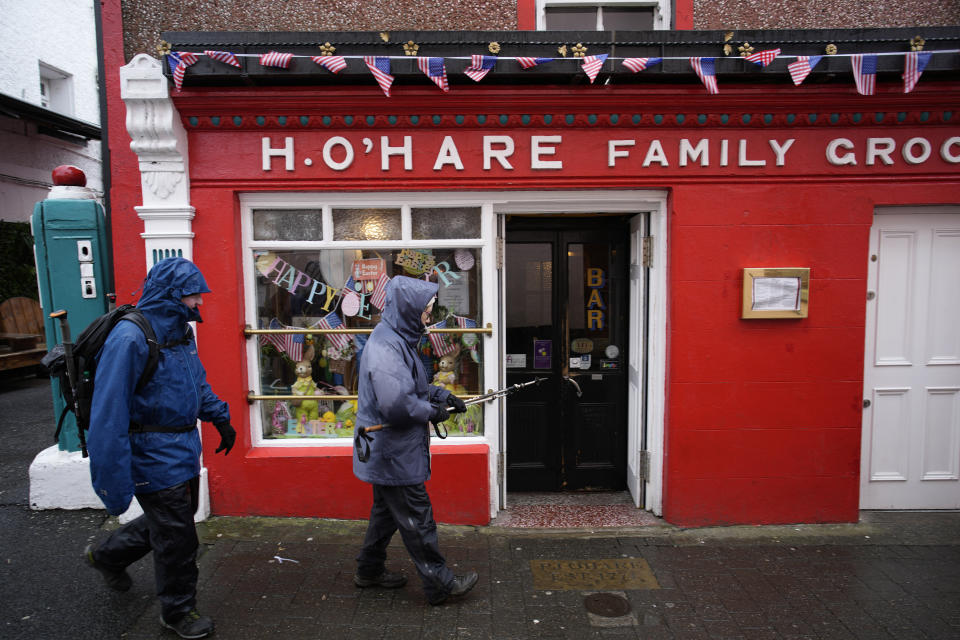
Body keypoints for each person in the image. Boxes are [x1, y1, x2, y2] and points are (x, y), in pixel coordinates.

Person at [83, 257, 235, 640]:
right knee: (179, 539)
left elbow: (193, 382)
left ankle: (107, 555)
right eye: (192, 295)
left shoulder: (180, 331)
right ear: (171, 295)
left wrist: (219, 417)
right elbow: (108, 416)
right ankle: (177, 611)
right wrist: (112, 485)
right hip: (152, 454)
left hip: (183, 448)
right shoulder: (130, 338)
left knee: (169, 523)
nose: (199, 302)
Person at [352, 275, 479, 606]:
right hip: (393, 452)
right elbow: (396, 405)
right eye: (427, 309)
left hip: (390, 450)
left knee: (385, 512)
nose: (429, 315)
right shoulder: (386, 348)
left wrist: (441, 394)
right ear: (410, 309)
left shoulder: (396, 338)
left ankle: (368, 571)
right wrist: (433, 411)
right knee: (416, 517)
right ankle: (440, 584)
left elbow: (409, 385)